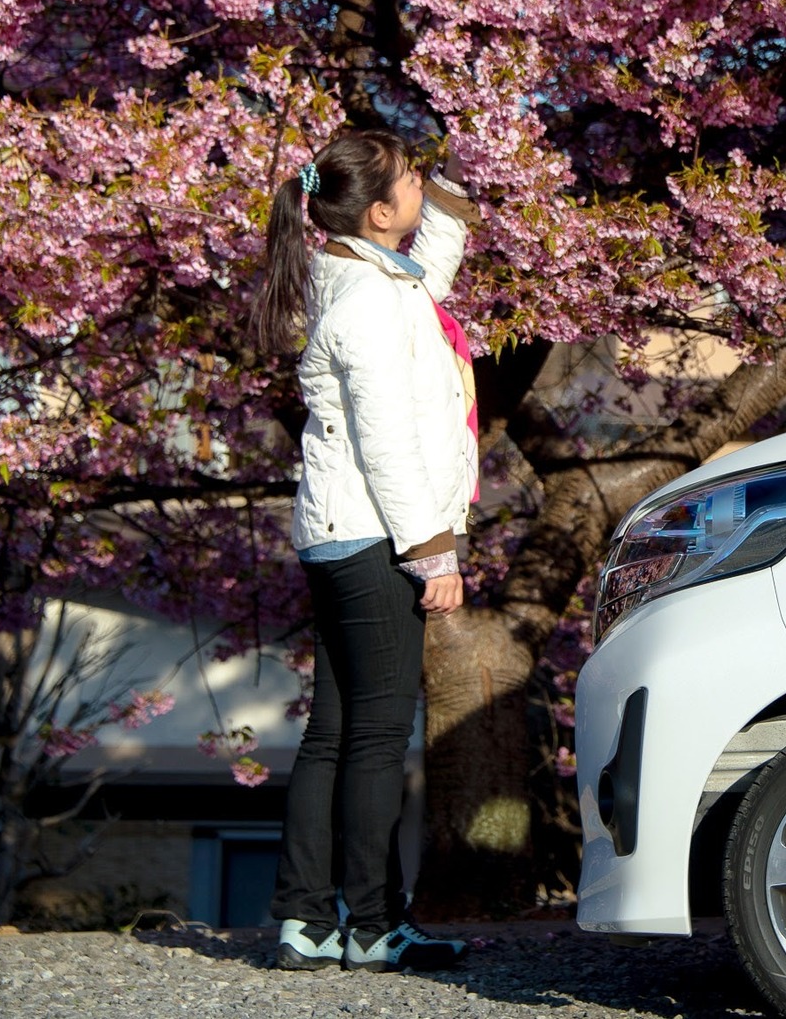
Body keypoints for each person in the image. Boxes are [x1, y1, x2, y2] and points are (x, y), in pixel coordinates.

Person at [248, 128, 482, 973]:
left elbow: (435, 269)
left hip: (341, 531)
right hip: (377, 532)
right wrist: (433, 550)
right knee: (377, 737)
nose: (422, 189)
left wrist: (447, 194)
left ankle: (307, 920)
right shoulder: (369, 302)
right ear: (380, 213)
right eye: (412, 183)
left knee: (335, 733)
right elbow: (384, 440)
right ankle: (374, 923)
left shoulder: (372, 282)